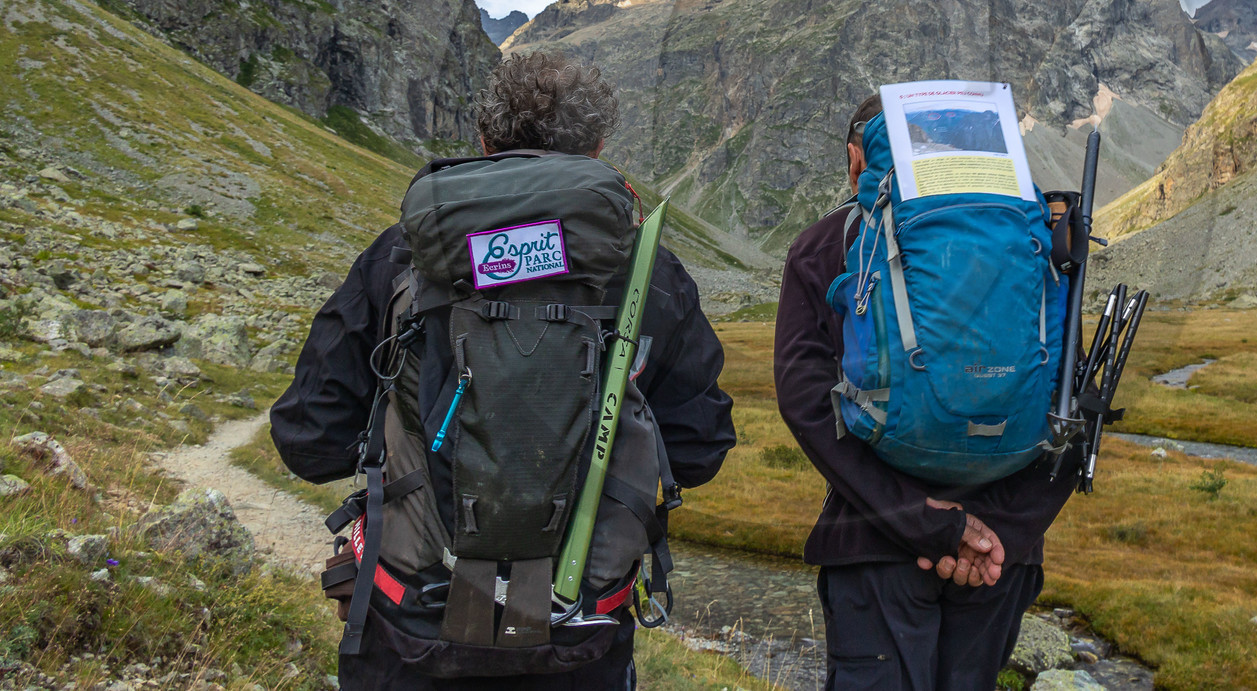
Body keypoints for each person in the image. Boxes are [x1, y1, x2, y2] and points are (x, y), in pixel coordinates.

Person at [272, 50, 737, 691]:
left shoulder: (398, 258)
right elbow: (700, 451)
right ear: (598, 146)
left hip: (412, 623)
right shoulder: (650, 271)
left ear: (484, 141)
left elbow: (309, 442)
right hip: (580, 637)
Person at [774, 93, 1081, 690]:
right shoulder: (1028, 238)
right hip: (1001, 561)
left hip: (875, 546)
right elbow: (1071, 399)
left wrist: (928, 527)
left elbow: (806, 404)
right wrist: (997, 537)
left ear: (856, 156)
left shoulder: (822, 245)